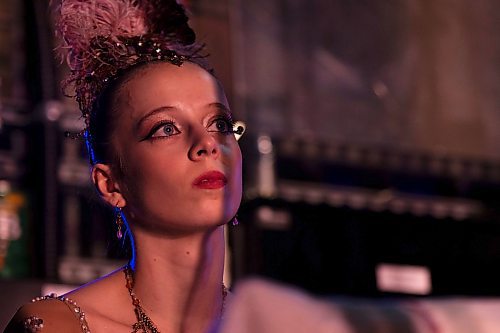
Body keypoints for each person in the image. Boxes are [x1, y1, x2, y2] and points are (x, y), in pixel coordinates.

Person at [5, 0, 244, 332]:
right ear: (110, 183)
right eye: (166, 129)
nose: (207, 144)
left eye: (218, 123)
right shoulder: (60, 326)